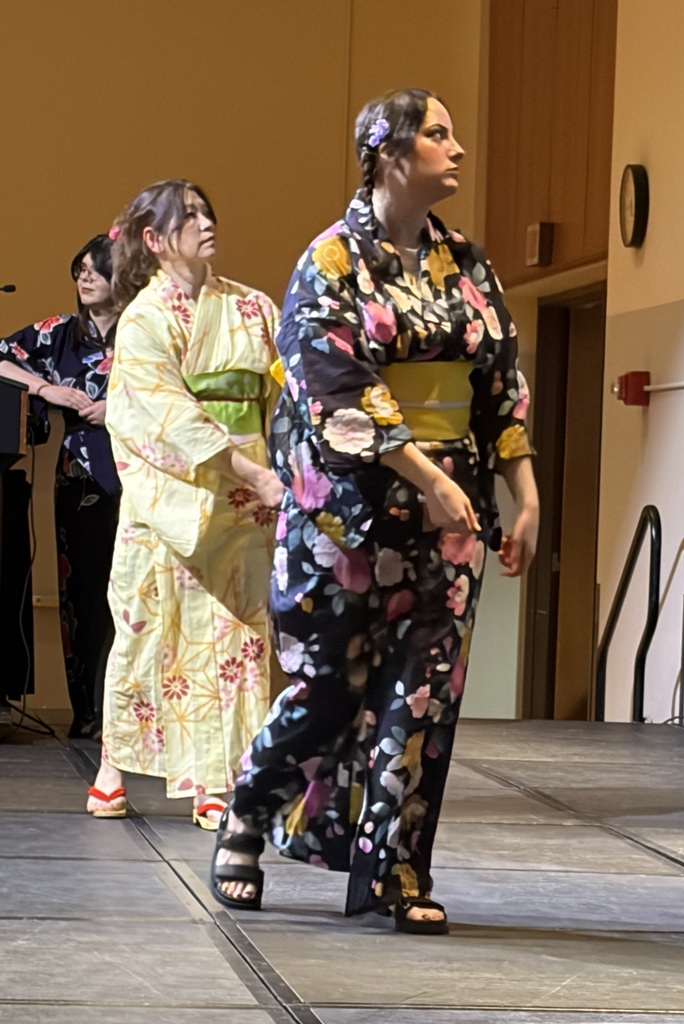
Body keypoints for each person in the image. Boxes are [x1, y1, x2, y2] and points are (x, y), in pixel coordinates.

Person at [210, 89, 539, 933]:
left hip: (450, 514)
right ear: (389, 153)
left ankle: (394, 871)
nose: (457, 148)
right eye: (438, 134)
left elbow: (499, 383)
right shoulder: (329, 261)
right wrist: (426, 477)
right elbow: (337, 389)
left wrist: (526, 493)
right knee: (329, 689)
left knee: (422, 697)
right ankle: (249, 811)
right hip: (345, 516)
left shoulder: (468, 264)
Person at [86, 179, 284, 828]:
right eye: (188, 216)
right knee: (148, 635)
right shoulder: (144, 318)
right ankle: (113, 766)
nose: (205, 223)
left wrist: (274, 468)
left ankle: (219, 777)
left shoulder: (252, 307)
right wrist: (250, 470)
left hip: (242, 502)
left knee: (235, 639)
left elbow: (285, 393)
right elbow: (165, 414)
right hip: (168, 500)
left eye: (207, 212)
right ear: (154, 239)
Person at [0, 236, 120, 738]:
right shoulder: (59, 334)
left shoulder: (150, 331)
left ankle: (133, 720)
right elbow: (1, 356)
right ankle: (90, 716)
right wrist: (45, 388)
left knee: (138, 596)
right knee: (82, 595)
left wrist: (119, 407)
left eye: (97, 270)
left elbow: (186, 387)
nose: (85, 278)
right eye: (80, 270)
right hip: (78, 474)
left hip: (144, 471)